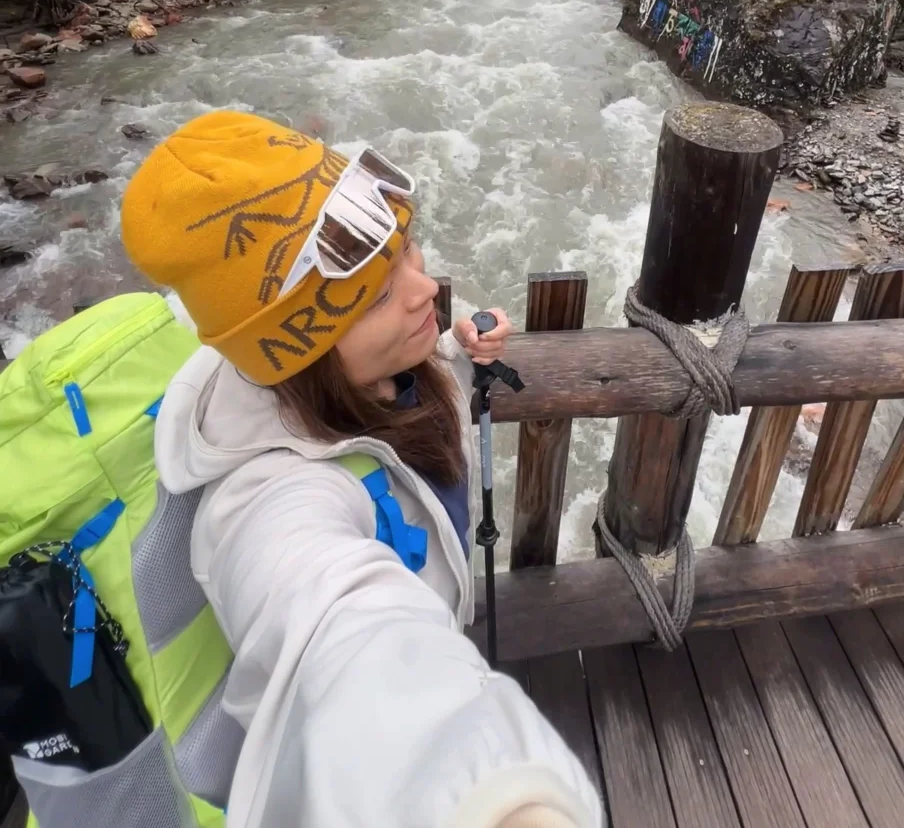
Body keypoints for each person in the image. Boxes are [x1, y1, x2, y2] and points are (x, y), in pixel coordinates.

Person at [120, 109, 602, 828]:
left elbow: (391, 317)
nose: (425, 290)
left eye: (409, 252)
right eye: (376, 295)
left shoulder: (367, 373)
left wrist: (459, 342)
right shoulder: (263, 501)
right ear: (296, 348)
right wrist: (491, 802)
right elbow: (334, 625)